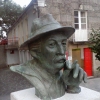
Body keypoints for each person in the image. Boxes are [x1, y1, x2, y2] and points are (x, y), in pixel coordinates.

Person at [10, 14, 87, 100]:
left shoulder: (61, 73)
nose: (61, 52)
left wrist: (72, 86)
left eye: (63, 43)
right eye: (52, 44)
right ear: (35, 52)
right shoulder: (28, 72)